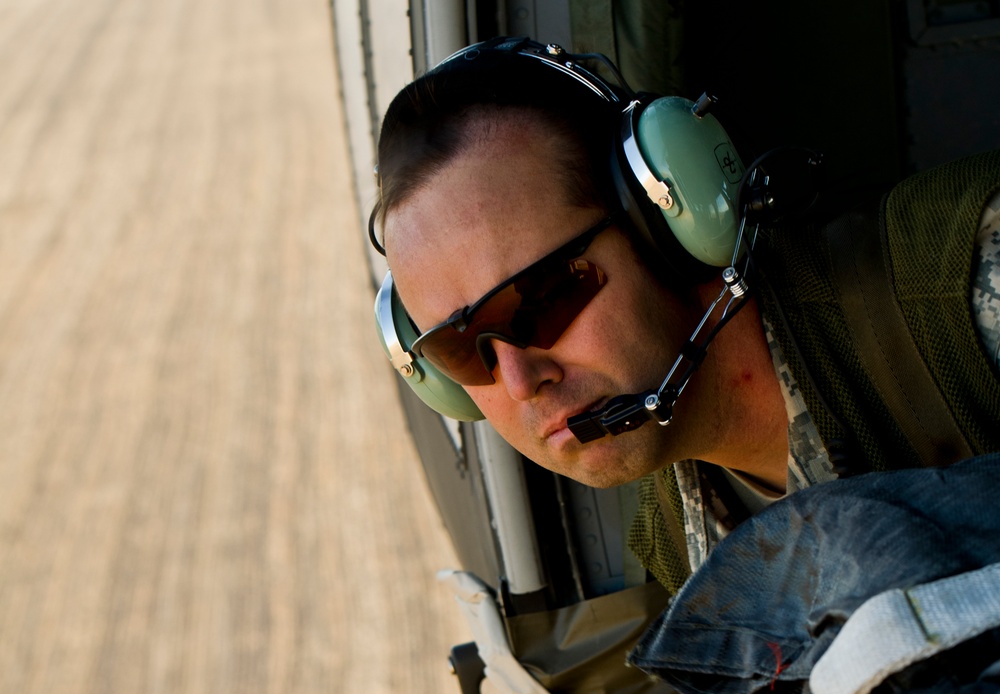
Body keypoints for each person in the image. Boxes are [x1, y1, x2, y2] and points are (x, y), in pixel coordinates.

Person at [375, 36, 1000, 602]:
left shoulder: (961, 293)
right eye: (460, 352)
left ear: (662, 224)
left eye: (536, 301)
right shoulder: (678, 541)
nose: (517, 380)